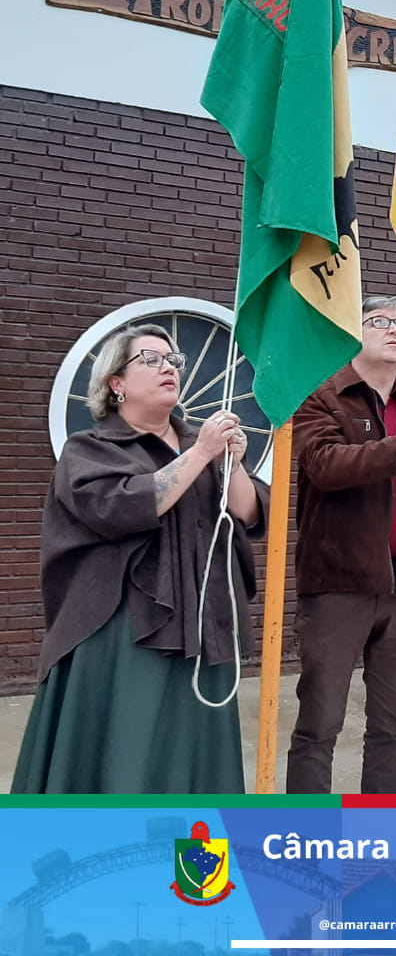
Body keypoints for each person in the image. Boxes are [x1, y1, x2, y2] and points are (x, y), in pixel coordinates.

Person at [11, 325, 268, 793]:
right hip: (123, 627)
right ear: (117, 383)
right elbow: (122, 507)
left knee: (193, 752)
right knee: (127, 744)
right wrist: (201, 452)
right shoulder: (89, 450)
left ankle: (187, 840)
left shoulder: (201, 444)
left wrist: (230, 462)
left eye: (173, 360)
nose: (169, 367)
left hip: (202, 621)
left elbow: (249, 514)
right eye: (151, 359)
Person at [286, 296, 396, 794]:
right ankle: (306, 831)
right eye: (379, 321)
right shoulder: (322, 398)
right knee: (319, 725)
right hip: (337, 586)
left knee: (394, 726)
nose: (394, 329)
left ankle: (377, 826)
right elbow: (325, 465)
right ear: (351, 333)